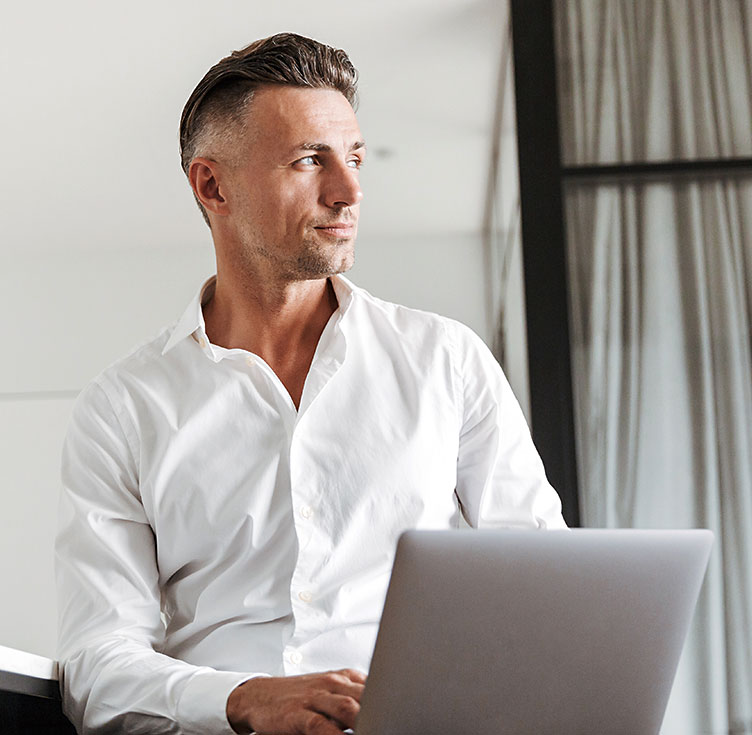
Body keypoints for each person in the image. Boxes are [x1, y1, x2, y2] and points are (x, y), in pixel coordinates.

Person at [55, 32, 566, 735]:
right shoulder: (122, 409)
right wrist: (243, 697)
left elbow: (549, 590)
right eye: (308, 160)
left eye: (353, 157)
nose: (350, 190)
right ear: (213, 185)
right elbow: (97, 664)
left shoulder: (447, 359)